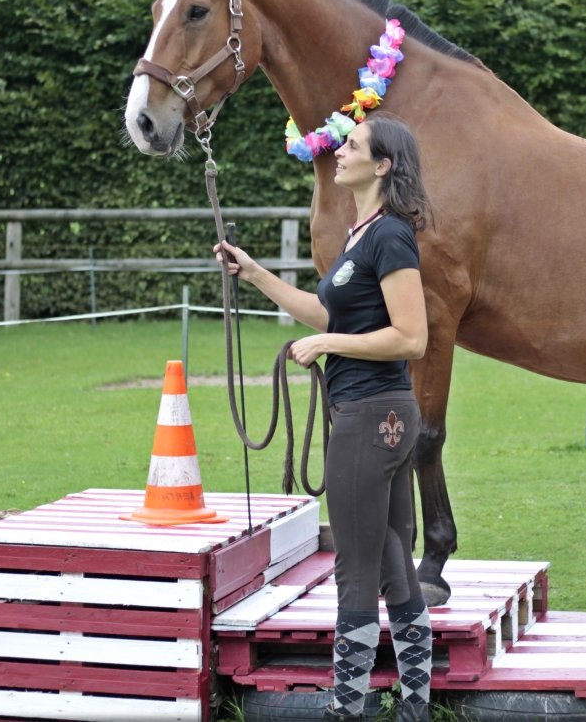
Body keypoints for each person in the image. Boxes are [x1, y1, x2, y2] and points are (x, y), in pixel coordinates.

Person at [215, 114, 433, 721]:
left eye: (353, 146)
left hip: (370, 415)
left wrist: (330, 345)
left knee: (355, 568)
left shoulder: (390, 237)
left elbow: (412, 337)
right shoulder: (360, 235)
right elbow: (325, 312)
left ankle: (348, 708)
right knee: (391, 558)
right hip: (375, 415)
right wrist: (254, 272)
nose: (340, 151)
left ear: (382, 165)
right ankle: (415, 707)